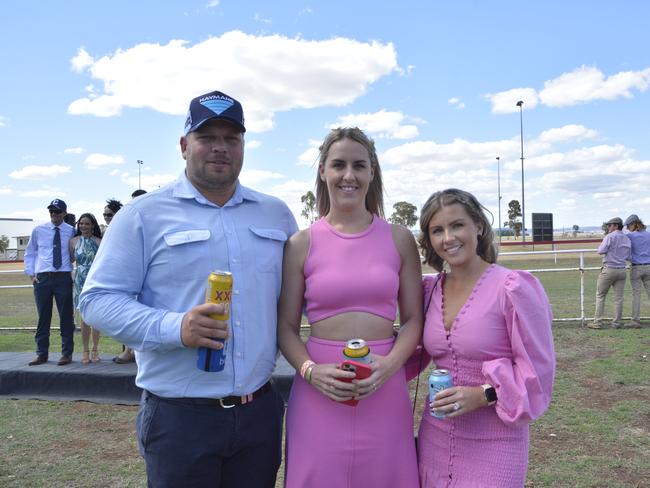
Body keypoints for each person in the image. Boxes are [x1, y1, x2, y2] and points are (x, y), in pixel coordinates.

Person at [79, 90, 297, 488]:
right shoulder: (142, 215)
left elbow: (305, 291)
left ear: (243, 146)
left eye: (231, 138)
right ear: (184, 146)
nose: (219, 147)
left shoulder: (276, 214)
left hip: (258, 412)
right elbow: (97, 300)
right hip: (180, 418)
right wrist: (175, 328)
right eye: (206, 136)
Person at [278, 127, 422, 487]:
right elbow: (285, 328)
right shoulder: (300, 243)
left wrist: (389, 367)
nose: (349, 175)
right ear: (323, 170)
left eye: (359, 165)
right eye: (338, 164)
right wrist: (312, 371)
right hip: (318, 394)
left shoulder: (400, 239)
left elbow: (414, 320)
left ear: (371, 173)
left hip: (384, 388)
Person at [416, 188, 555, 487]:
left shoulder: (513, 288)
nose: (448, 238)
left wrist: (483, 394)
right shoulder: (428, 291)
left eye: (457, 225)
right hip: (435, 437)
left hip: (496, 439)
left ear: (478, 226)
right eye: (437, 230)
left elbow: (538, 375)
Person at [24, 199, 76, 366]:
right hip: (43, 278)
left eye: (57, 211)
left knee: (66, 317)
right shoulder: (39, 230)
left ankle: (66, 353)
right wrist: (31, 275)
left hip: (63, 277)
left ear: (64, 213)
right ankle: (41, 353)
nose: (54, 214)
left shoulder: (72, 231)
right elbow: (30, 252)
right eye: (51, 211)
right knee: (43, 318)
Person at [68, 213, 102, 363]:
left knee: (95, 316)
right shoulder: (73, 242)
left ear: (93, 225)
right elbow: (70, 260)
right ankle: (85, 350)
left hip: (95, 281)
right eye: (81, 223)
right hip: (80, 280)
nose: (83, 226)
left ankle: (95, 349)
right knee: (84, 318)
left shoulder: (99, 242)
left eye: (87, 224)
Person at [588, 217, 631, 330]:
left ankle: (597, 322)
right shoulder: (626, 238)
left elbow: (601, 251)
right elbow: (628, 256)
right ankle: (616, 322)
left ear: (616, 225)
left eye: (610, 225)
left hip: (609, 269)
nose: (608, 227)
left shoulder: (610, 237)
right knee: (618, 298)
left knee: (600, 295)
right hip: (622, 269)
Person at [624, 214, 650, 328]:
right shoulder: (648, 235)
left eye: (628, 226)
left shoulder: (629, 236)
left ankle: (635, 320)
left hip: (636, 267)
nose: (627, 228)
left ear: (633, 224)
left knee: (636, 295)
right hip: (649, 266)